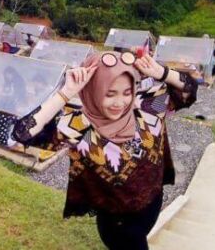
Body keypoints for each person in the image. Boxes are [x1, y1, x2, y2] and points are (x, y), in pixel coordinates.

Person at [13, 51, 198, 250]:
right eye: (110, 94)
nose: (120, 103)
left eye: (127, 92)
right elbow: (23, 133)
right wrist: (65, 92)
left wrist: (161, 72)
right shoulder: (79, 125)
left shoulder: (147, 107)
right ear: (93, 90)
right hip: (115, 220)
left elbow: (189, 89)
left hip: (151, 203)